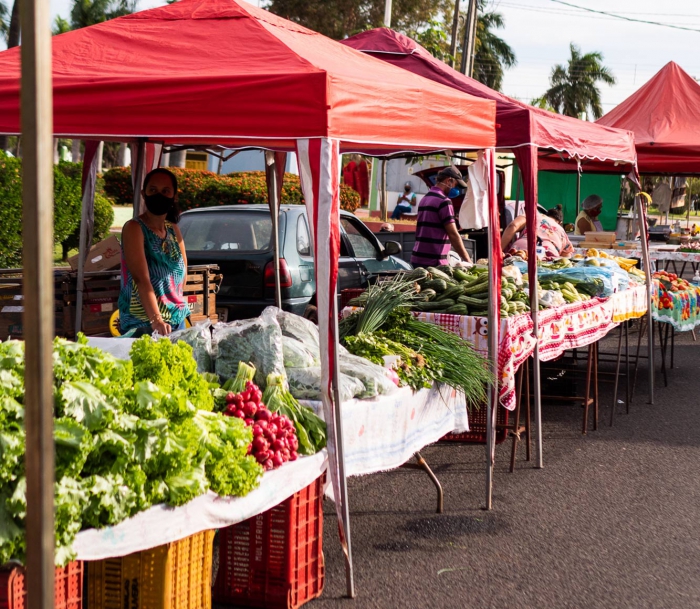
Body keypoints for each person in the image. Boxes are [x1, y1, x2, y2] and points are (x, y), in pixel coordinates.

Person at [118, 168, 188, 337]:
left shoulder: (173, 230)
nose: (159, 195)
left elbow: (183, 273)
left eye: (165, 191)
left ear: (174, 196)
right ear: (144, 194)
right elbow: (141, 279)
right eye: (153, 190)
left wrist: (173, 306)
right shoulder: (134, 228)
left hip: (176, 320)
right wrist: (156, 319)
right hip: (144, 323)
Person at [411, 166, 473, 267]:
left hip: (418, 258)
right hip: (434, 262)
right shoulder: (444, 201)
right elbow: (453, 234)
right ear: (449, 181)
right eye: (456, 186)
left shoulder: (425, 198)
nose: (457, 190)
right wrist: (468, 260)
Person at [501, 210, 574, 258]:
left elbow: (513, 226)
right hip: (548, 254)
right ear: (560, 222)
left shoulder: (532, 215)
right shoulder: (561, 231)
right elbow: (566, 257)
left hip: (521, 249)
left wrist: (498, 251)